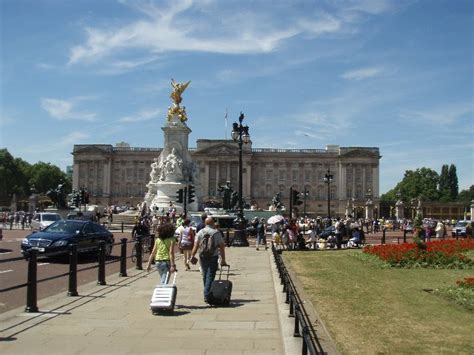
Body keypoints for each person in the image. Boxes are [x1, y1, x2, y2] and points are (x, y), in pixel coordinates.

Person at [190, 217, 228, 304]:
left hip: (202, 255)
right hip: (213, 256)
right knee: (210, 275)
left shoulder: (200, 232)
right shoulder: (216, 232)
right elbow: (221, 246)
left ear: (205, 223)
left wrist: (192, 255)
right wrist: (223, 259)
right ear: (213, 223)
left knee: (205, 274)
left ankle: (207, 291)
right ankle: (207, 294)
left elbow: (196, 245)